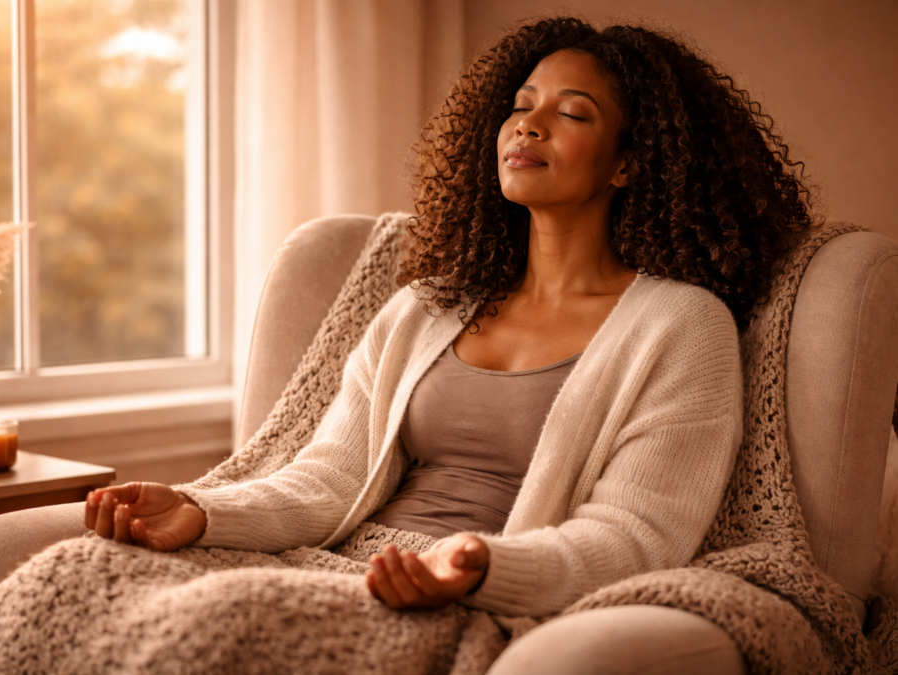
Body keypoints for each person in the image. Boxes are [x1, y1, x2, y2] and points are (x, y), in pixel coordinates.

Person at [83, 16, 813, 616]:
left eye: (571, 113)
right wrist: (199, 509)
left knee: (203, 628)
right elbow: (327, 479)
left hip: (460, 599)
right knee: (78, 584)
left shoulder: (681, 326)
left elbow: (633, 537)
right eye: (521, 104)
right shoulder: (422, 309)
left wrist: (476, 568)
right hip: (342, 566)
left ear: (627, 162)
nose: (528, 126)